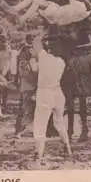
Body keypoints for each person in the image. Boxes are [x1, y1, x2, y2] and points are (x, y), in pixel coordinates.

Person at [31, 34, 72, 162]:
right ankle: (68, 147)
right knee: (59, 123)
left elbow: (36, 44)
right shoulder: (61, 62)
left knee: (40, 125)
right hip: (58, 93)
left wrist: (32, 58)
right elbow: (40, 70)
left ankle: (39, 153)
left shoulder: (43, 57)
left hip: (44, 93)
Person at [14, 35, 38, 138]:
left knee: (26, 108)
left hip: (27, 86)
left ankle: (21, 129)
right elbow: (29, 73)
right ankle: (21, 130)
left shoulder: (22, 58)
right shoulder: (27, 60)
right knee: (27, 109)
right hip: (29, 86)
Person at [0, 35, 11, 108]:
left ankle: (4, 103)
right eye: (2, 41)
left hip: (6, 71)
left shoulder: (8, 52)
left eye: (5, 41)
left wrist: (6, 71)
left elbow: (9, 61)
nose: (4, 44)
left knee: (6, 88)